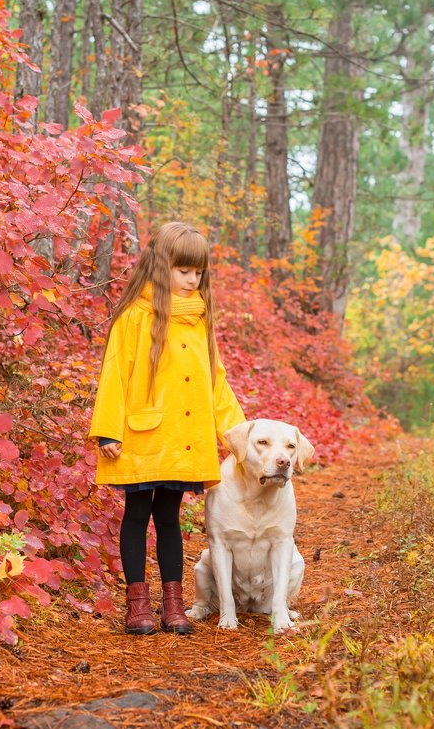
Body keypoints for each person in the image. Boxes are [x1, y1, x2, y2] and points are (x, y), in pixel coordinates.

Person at [89, 222, 246, 635]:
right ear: (162, 268)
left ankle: (173, 604)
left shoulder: (199, 320)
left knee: (171, 518)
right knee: (137, 514)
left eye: (198, 272)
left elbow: (216, 379)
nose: (192, 279)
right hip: (142, 436)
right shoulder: (135, 317)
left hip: (183, 439)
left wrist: (239, 436)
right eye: (183, 271)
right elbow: (114, 375)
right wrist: (109, 430)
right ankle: (137, 604)